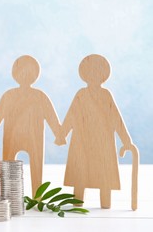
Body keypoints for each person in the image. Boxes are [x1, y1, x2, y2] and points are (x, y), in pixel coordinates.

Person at [55, 54, 136, 208]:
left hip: (102, 141)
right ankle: (82, 201)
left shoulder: (104, 95)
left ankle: (104, 203)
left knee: (103, 173)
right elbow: (72, 115)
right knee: (82, 172)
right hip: (85, 141)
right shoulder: (82, 95)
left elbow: (116, 118)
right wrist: (62, 134)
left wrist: (126, 141)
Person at [0, 55, 61, 196]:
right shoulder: (38, 96)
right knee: (22, 166)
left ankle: (27, 196)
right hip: (18, 138)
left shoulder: (11, 95)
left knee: (32, 166)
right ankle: (31, 197)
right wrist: (59, 135)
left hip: (27, 138)